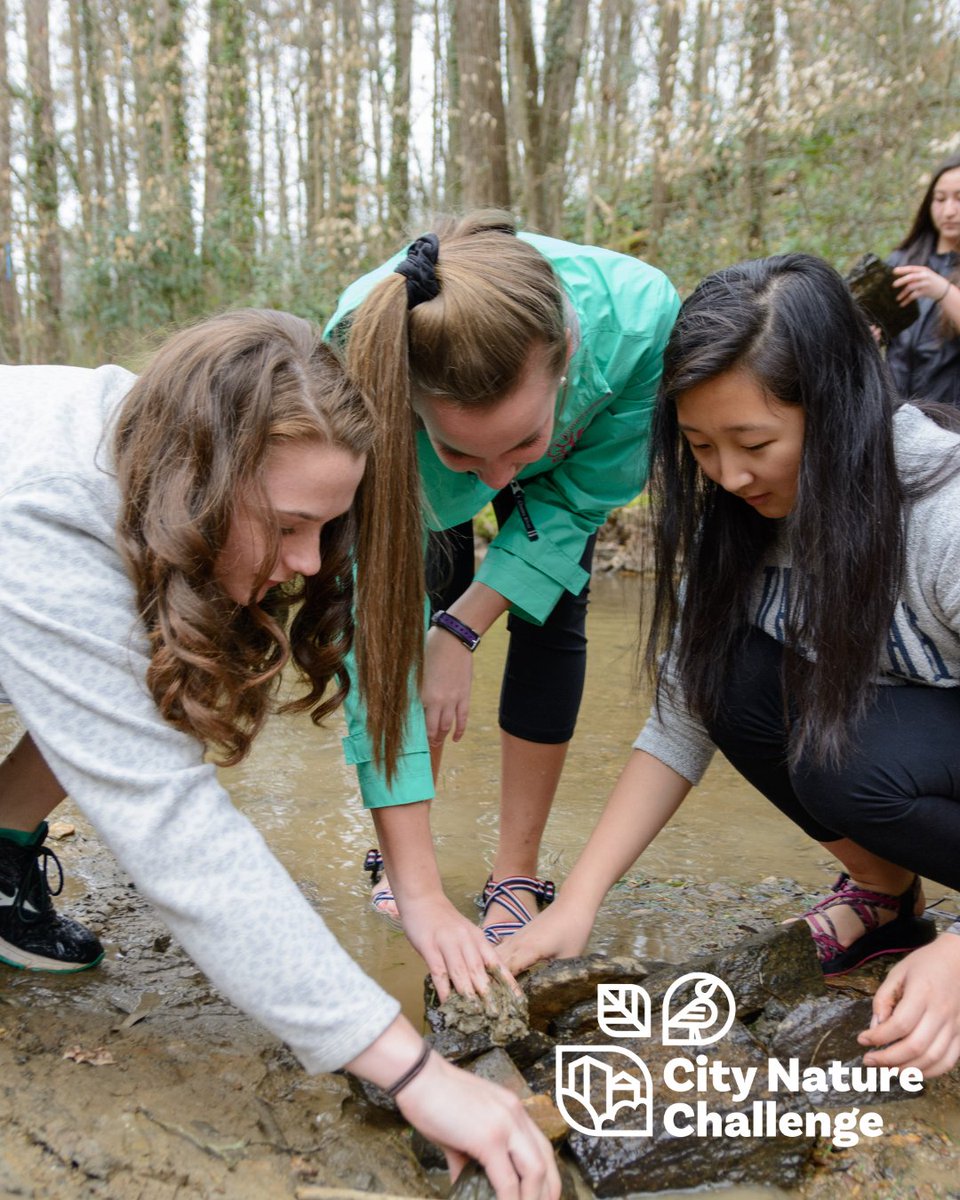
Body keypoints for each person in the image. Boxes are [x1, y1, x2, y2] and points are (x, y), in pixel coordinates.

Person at [0, 310, 560, 1198]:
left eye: (324, 529)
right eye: (289, 525)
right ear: (201, 477)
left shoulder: (156, 447)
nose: (305, 563)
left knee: (168, 666)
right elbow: (170, 826)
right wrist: (412, 1070)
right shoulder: (48, 512)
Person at [498, 253, 960, 1080]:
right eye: (701, 446)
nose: (728, 475)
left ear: (839, 407)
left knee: (844, 762)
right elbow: (681, 717)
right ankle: (884, 897)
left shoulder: (944, 517)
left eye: (754, 443)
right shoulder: (744, 519)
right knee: (728, 673)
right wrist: (578, 904)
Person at [323, 211, 679, 977]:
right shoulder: (359, 354)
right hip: (412, 472)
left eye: (519, 443)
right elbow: (374, 626)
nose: (494, 480)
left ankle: (515, 872)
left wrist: (461, 630)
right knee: (419, 610)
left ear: (568, 354)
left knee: (552, 617)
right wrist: (421, 892)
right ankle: (405, 856)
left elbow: (580, 499)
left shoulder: (640, 320)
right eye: (465, 451)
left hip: (571, 466)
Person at [886, 154, 960, 407]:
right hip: (896, 412)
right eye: (940, 199)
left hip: (951, 418)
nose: (949, 211)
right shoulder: (902, 260)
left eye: (959, 198)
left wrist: (943, 291)